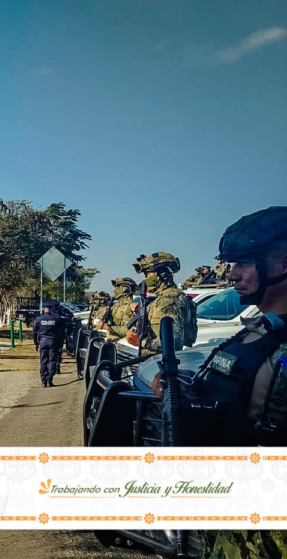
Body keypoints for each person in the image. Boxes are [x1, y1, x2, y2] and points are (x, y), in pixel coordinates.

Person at [142, 207, 287, 558]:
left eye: (243, 263)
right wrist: (184, 390)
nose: (231, 274)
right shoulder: (257, 334)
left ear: (282, 263)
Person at [127, 252, 196, 356]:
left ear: (161, 274)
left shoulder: (170, 299)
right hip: (152, 362)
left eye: (147, 274)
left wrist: (141, 342)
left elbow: (174, 341)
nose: (145, 279)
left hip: (162, 364)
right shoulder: (160, 298)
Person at [33, 301, 67, 387]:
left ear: (44, 309)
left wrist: (35, 343)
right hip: (53, 341)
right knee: (52, 360)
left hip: (43, 341)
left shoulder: (38, 319)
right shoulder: (56, 319)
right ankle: (50, 379)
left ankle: (43, 381)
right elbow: (61, 331)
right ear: (51, 308)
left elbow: (34, 332)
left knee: (43, 361)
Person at [103, 277, 138, 342]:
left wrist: (109, 328)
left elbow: (128, 330)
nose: (115, 290)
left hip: (121, 343)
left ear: (125, 288)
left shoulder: (129, 307)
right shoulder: (116, 306)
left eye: (118, 287)